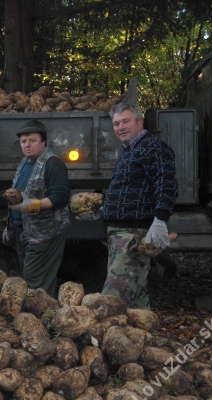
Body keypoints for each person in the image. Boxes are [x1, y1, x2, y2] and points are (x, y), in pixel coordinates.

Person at [77, 103, 178, 309]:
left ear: (140, 122)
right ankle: (145, 336)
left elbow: (166, 185)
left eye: (126, 121)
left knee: (112, 300)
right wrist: (102, 212)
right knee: (135, 294)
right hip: (119, 233)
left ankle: (108, 339)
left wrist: (160, 219)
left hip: (132, 234)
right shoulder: (129, 151)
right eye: (116, 123)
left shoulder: (154, 147)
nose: (120, 127)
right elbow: (128, 191)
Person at [3, 120, 70, 297]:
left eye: (32, 140)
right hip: (24, 232)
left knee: (35, 284)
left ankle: (40, 319)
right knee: (33, 281)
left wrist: (35, 205)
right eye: (23, 141)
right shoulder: (25, 163)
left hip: (44, 233)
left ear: (43, 142)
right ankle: (45, 314)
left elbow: (61, 196)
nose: (27, 145)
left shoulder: (52, 164)